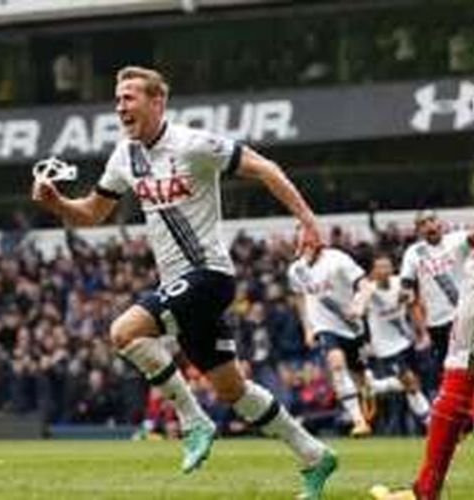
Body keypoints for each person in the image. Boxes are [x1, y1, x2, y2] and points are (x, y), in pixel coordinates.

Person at [32, 66, 336, 498]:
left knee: (124, 331)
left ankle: (193, 420)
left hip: (209, 275)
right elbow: (93, 213)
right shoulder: (124, 155)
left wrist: (306, 220)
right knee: (234, 389)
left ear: (158, 102)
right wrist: (57, 202)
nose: (121, 107)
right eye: (118, 99)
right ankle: (314, 456)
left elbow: (265, 167)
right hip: (180, 282)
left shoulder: (194, 144)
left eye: (130, 97)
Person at [370, 87, 474, 500]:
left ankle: (424, 491)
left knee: (458, 374)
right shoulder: (415, 253)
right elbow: (407, 285)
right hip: (438, 316)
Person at [288, 238, 372, 437]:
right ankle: (358, 421)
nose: (304, 242)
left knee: (362, 380)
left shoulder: (338, 259)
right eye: (300, 236)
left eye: (307, 237)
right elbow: (301, 299)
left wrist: (359, 305)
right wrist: (308, 328)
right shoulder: (295, 270)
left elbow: (365, 286)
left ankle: (368, 404)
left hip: (352, 327)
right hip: (324, 326)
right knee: (336, 365)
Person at [350, 253, 430, 427]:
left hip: (407, 341)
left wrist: (423, 332)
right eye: (380, 267)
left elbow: (413, 306)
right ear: (373, 272)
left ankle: (376, 386)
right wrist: (357, 312)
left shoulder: (400, 284)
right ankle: (430, 422)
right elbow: (355, 311)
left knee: (414, 383)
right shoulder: (368, 291)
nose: (385, 271)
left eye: (388, 267)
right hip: (385, 347)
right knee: (410, 382)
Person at [400, 210, 471, 386]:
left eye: (432, 220)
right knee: (452, 371)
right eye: (423, 223)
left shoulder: (458, 239)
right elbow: (406, 282)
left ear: (440, 223)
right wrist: (405, 293)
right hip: (438, 322)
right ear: (418, 231)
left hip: (466, 314)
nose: (429, 225)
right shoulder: (414, 253)